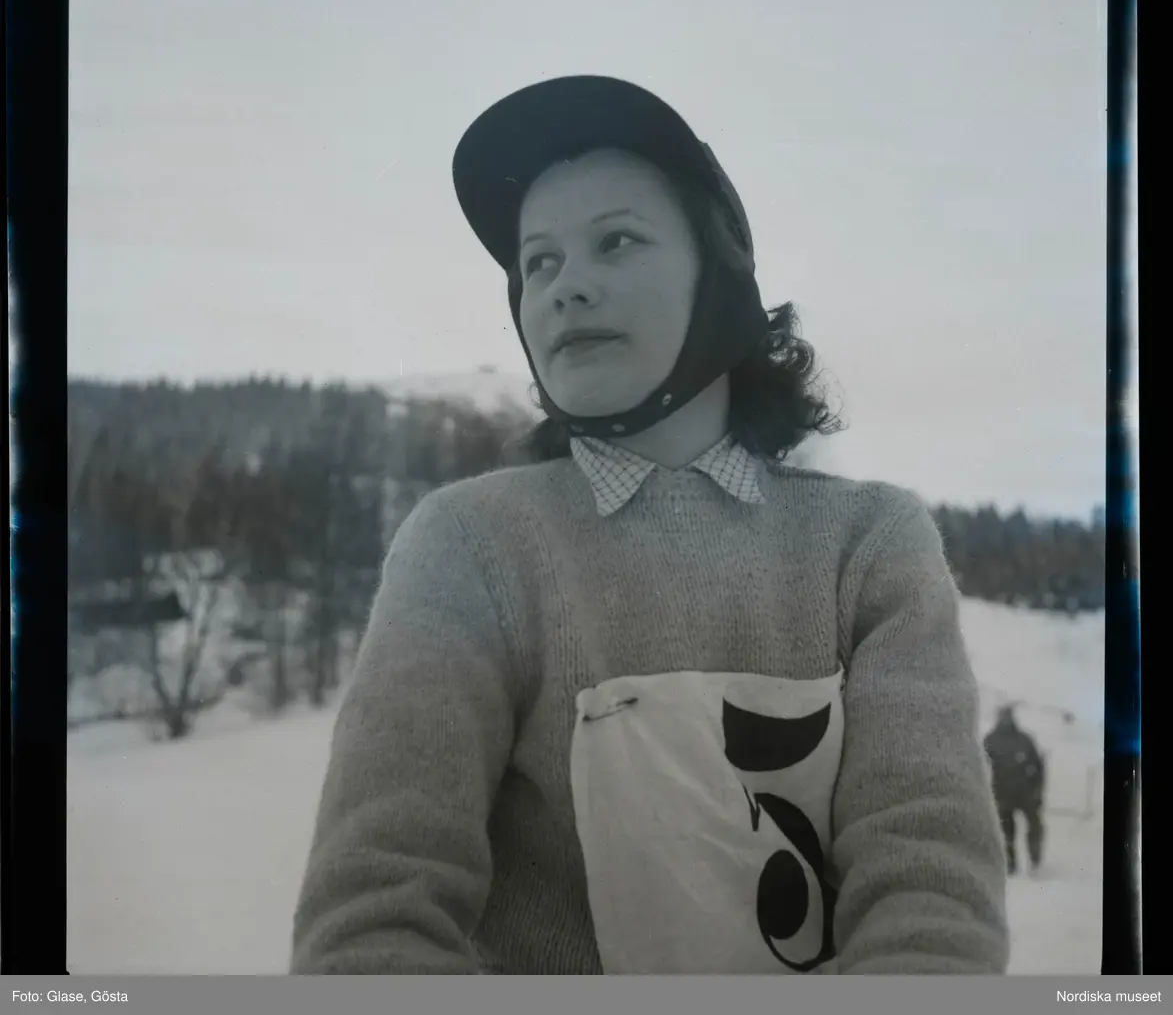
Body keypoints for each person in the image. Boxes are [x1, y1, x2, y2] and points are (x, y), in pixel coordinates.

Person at [290, 75, 1010, 975]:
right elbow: (375, 912)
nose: (565, 288)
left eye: (616, 241)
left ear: (720, 274)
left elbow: (928, 887)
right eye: (538, 262)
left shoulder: (869, 545)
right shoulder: (468, 543)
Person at [983, 704, 1046, 876]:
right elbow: (980, 765)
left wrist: (1038, 791)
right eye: (1003, 716)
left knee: (1035, 826)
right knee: (1005, 831)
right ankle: (1010, 864)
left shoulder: (1024, 740)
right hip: (1002, 794)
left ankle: (1035, 860)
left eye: (1008, 716)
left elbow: (1038, 766)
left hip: (1026, 793)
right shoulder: (990, 740)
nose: (1006, 720)